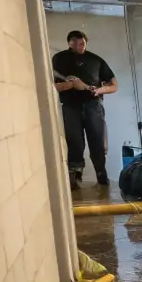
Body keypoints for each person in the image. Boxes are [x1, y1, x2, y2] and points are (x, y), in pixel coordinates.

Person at [52, 30, 118, 189]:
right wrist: (70, 85)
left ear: (86, 42)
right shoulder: (59, 59)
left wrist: (98, 90)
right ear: (69, 43)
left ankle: (101, 174)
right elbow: (51, 85)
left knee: (97, 140)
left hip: (93, 106)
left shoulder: (95, 60)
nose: (79, 45)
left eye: (82, 42)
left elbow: (114, 85)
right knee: (74, 142)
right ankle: (75, 177)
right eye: (75, 42)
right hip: (70, 107)